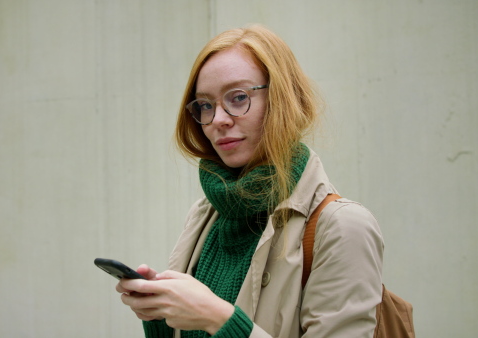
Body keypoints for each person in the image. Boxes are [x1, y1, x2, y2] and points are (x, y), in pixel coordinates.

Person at [116, 24, 384, 338]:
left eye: (238, 97)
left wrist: (219, 319)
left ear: (283, 98)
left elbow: (218, 320)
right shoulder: (206, 213)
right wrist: (161, 316)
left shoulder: (342, 227)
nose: (218, 120)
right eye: (205, 105)